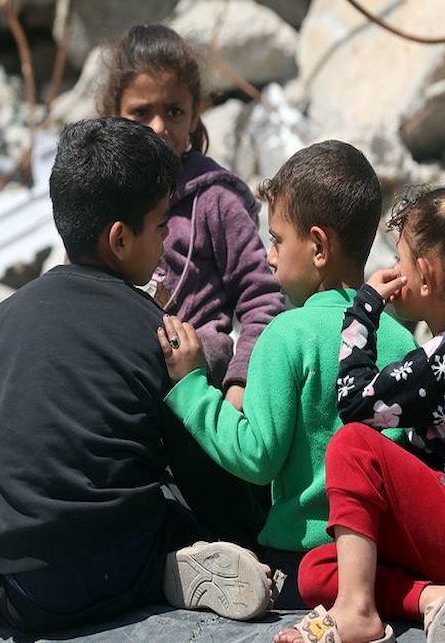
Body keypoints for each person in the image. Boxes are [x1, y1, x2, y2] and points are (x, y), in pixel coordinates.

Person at [0, 118, 271, 643]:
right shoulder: (157, 332)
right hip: (127, 561)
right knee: (166, 509)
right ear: (119, 238)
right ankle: (170, 569)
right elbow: (200, 477)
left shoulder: (0, 322)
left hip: (28, 588)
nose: (164, 242)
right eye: (160, 228)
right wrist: (241, 528)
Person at [155, 140, 418, 609]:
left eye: (276, 240)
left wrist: (192, 386)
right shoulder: (400, 338)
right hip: (384, 559)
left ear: (318, 247)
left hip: (302, 561)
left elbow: (256, 457)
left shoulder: (286, 333)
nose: (270, 257)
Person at [277, 185, 445, 643]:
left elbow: (355, 403)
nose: (392, 270)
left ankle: (356, 613)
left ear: (424, 274)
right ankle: (433, 598)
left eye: (399, 259)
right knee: (317, 569)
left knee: (352, 444)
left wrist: (364, 308)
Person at [100, 23, 286, 548]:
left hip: (203, 379)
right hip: (133, 375)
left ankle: (235, 553)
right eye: (141, 112)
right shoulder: (107, 199)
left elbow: (262, 296)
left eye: (174, 112)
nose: (159, 127)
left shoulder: (217, 200)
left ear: (195, 113)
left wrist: (241, 381)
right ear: (114, 112)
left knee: (216, 503)